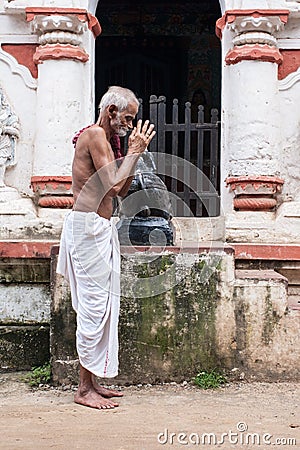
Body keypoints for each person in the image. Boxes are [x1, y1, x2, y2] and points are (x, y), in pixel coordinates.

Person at [57, 86, 156, 409]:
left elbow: (121, 191)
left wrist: (134, 153)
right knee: (94, 307)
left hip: (97, 229)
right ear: (111, 112)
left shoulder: (107, 141)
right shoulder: (96, 135)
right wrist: (133, 151)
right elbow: (113, 185)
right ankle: (83, 389)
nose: (130, 124)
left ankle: (93, 382)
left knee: (102, 307)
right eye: (128, 117)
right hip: (87, 229)